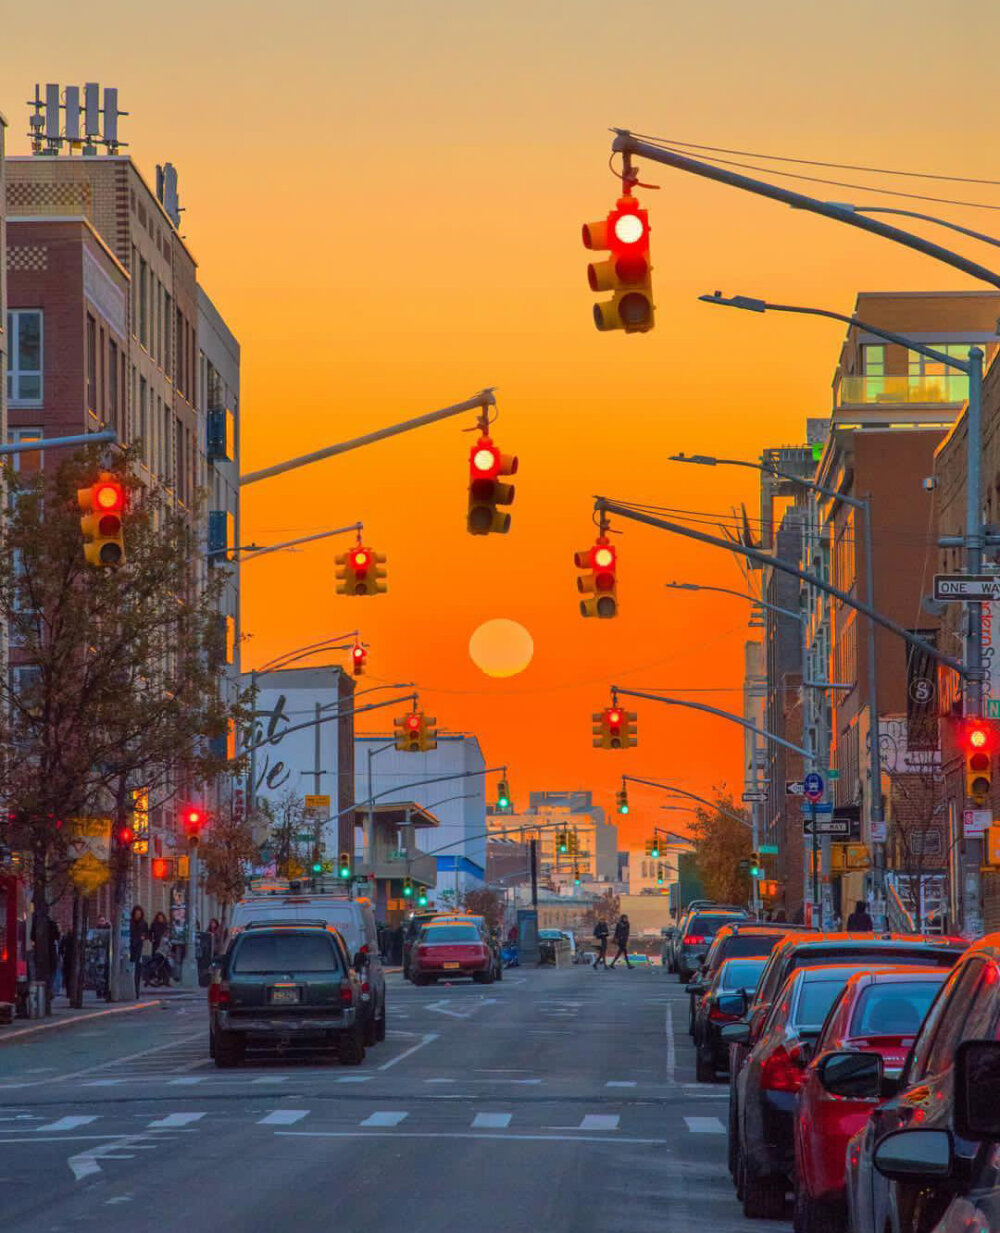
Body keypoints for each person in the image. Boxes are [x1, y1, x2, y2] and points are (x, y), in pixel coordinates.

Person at [129, 906, 149, 998]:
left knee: (137, 969)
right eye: (136, 914)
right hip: (129, 947)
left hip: (138, 948)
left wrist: (143, 937)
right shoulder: (130, 923)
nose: (138, 915)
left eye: (139, 914)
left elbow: (146, 934)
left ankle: (136, 991)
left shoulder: (143, 923)